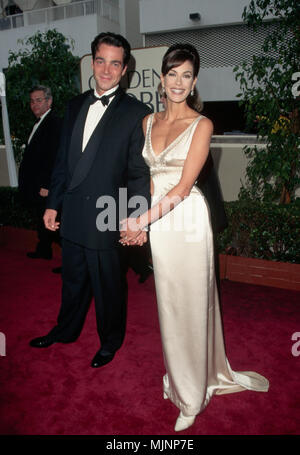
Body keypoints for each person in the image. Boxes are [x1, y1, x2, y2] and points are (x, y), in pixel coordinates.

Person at [120, 43, 269, 432]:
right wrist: (142, 222)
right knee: (169, 304)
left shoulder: (202, 125)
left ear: (195, 80)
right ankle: (183, 377)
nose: (178, 82)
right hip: (159, 220)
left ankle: (192, 394)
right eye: (172, 73)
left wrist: (142, 223)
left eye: (187, 75)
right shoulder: (148, 123)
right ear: (161, 78)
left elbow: (184, 188)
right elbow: (150, 179)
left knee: (191, 303)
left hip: (187, 221)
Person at [29, 32, 151, 369]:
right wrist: (53, 203)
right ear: (92, 61)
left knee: (108, 286)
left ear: (125, 69)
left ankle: (110, 342)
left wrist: (135, 219)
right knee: (72, 280)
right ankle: (65, 331)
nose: (107, 70)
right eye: (101, 61)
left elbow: (139, 173)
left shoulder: (137, 112)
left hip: (107, 215)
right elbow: (63, 163)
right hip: (73, 212)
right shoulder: (73, 105)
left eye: (115, 63)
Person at [18, 85, 62, 260]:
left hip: (45, 185)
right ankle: (43, 249)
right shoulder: (40, 122)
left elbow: (55, 156)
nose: (34, 105)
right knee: (40, 218)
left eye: (39, 100)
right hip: (36, 184)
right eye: (32, 101)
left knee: (55, 223)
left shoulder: (54, 123)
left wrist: (47, 185)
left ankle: (70, 262)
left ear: (49, 101)